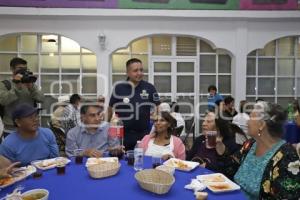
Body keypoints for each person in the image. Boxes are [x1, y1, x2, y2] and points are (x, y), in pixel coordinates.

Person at [217, 102, 300, 199]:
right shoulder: (250, 144)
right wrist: (221, 148)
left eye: (251, 117)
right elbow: (230, 169)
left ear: (261, 125)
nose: (247, 122)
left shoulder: (287, 156)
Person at [107, 58, 160, 150]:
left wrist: (157, 120)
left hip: (144, 134)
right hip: (122, 135)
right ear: (127, 73)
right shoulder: (119, 88)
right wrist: (107, 125)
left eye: (141, 70)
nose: (139, 73)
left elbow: (158, 106)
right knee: (122, 159)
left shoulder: (149, 87)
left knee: (142, 160)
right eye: (135, 71)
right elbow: (110, 108)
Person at [0, 57, 44, 139]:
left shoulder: (30, 84)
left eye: (25, 69)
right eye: (20, 68)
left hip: (30, 127)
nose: (23, 71)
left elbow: (41, 99)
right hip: (11, 129)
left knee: (31, 151)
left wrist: (31, 87)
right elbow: (3, 101)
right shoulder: (5, 84)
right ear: (12, 69)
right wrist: (16, 86)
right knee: (11, 151)